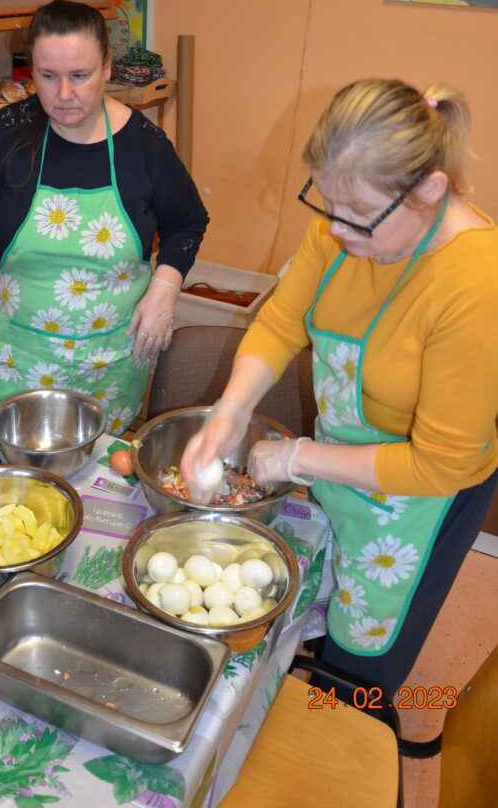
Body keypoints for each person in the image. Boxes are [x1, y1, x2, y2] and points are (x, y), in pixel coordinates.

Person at [181, 78, 497, 697]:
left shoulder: (476, 283)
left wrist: (296, 457)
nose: (337, 233)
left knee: (357, 674)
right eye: (326, 206)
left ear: (430, 190)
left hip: (420, 503)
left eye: (356, 219)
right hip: (341, 462)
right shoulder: (347, 216)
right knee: (313, 605)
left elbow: (439, 463)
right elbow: (278, 321)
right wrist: (231, 409)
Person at [0, 0, 209, 431]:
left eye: (80, 76)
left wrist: (165, 289)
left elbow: (188, 222)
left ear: (107, 67)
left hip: (112, 360)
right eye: (48, 76)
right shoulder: (7, 134)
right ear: (31, 69)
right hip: (21, 356)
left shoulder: (144, 146)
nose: (64, 95)